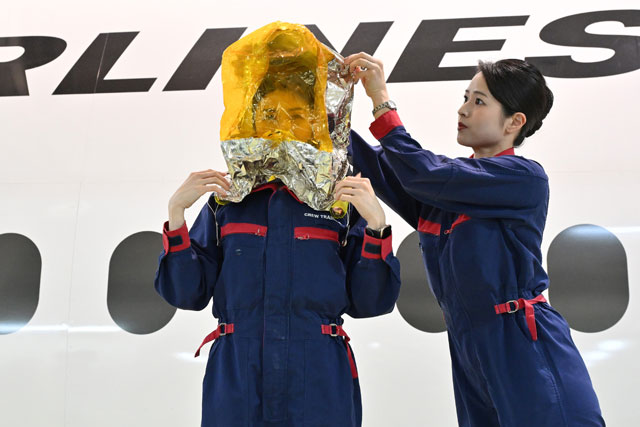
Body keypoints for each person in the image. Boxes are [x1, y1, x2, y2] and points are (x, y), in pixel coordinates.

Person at [344, 52, 605, 426]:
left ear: (515, 122)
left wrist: (380, 99)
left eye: (479, 102)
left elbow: (421, 172)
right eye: (465, 98)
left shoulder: (523, 178)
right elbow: (375, 164)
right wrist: (317, 113)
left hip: (524, 347)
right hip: (469, 350)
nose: (463, 110)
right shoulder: (445, 193)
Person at [153, 45, 401, 427]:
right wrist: (176, 215)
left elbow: (370, 301)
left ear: (316, 124)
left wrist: (376, 226)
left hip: (319, 382)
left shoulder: (338, 203)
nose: (282, 127)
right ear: (251, 122)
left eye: (297, 116)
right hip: (238, 381)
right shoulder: (228, 202)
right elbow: (186, 293)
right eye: (270, 115)